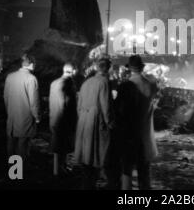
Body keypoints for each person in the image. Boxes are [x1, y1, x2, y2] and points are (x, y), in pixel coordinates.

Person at [115, 55, 158, 190]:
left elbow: (119, 110)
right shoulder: (151, 85)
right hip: (144, 132)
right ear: (142, 67)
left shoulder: (125, 85)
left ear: (130, 68)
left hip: (129, 133)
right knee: (144, 170)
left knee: (127, 167)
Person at [74, 56, 115, 189]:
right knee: (96, 153)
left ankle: (86, 182)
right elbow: (106, 105)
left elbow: (79, 104)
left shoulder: (87, 82)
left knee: (86, 153)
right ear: (108, 68)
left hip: (84, 120)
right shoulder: (104, 82)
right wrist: (109, 122)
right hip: (96, 120)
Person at [4, 53, 40, 162]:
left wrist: (9, 112)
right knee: (22, 146)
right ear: (32, 64)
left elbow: (5, 97)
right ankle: (20, 174)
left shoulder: (10, 77)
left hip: (12, 117)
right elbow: (34, 102)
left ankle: (13, 173)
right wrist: (37, 117)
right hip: (25, 118)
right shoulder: (31, 78)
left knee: (11, 144)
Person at [49, 63, 77, 177]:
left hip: (54, 117)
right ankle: (60, 171)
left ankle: (57, 169)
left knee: (57, 145)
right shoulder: (69, 83)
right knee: (63, 146)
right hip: (64, 119)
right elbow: (67, 104)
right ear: (72, 71)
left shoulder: (54, 83)